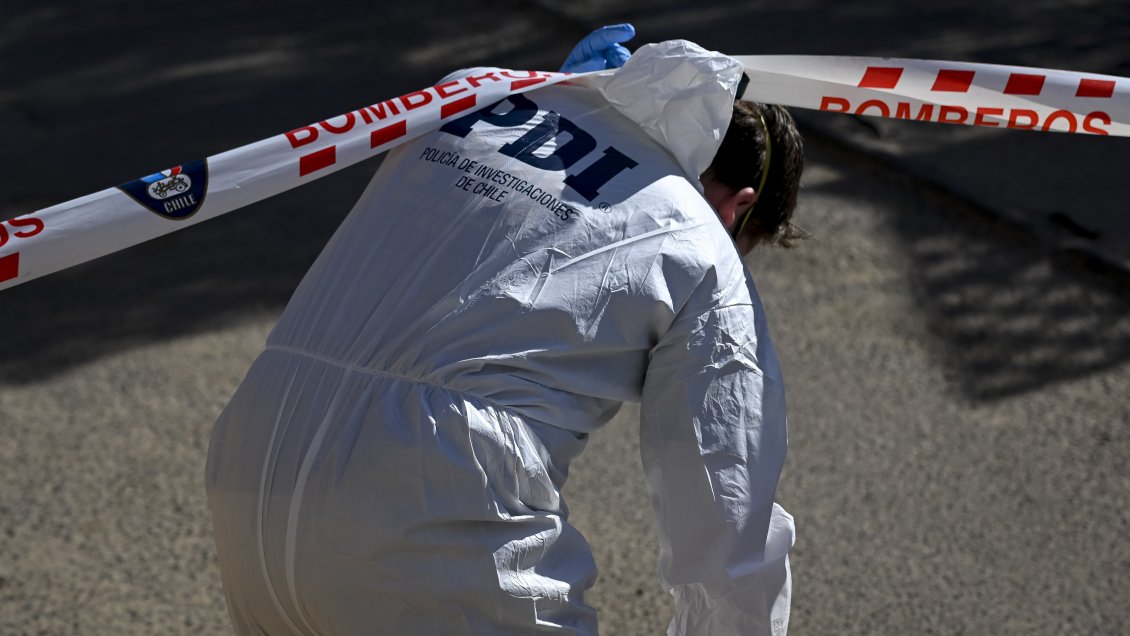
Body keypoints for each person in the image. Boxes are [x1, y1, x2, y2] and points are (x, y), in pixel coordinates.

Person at [205, 26, 804, 636]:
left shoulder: (471, 102)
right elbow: (724, 505)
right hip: (434, 514)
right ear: (739, 206)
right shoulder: (696, 234)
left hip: (254, 463)